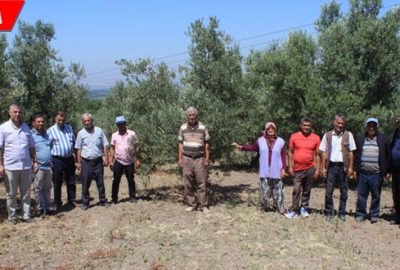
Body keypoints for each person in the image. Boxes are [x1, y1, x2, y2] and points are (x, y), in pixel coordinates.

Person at [233, 121, 287, 214]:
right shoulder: (260, 141)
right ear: (265, 130)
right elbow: (252, 147)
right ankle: (265, 207)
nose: (271, 130)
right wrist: (241, 147)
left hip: (276, 170)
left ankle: (280, 207)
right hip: (265, 170)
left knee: (278, 190)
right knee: (265, 190)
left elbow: (283, 156)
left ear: (275, 130)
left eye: (272, 128)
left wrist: (283, 169)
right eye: (268, 129)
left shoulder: (281, 141)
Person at [0, 104, 37, 224]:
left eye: (19, 112)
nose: (17, 114)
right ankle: (13, 216)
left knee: (26, 193)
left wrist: (34, 160)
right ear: (9, 113)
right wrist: (0, 165)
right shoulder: (3, 128)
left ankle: (26, 215)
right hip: (10, 166)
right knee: (11, 193)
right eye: (15, 112)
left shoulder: (26, 127)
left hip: (25, 166)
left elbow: (31, 146)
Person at [320, 114, 356, 221]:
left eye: (342, 123)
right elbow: (323, 152)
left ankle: (341, 213)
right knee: (328, 191)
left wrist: (350, 167)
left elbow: (351, 153)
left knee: (344, 191)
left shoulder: (348, 135)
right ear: (333, 122)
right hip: (331, 166)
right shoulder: (327, 135)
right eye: (338, 123)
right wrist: (324, 167)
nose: (340, 125)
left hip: (343, 167)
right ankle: (328, 213)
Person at [354, 118, 390, 223]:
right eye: (369, 125)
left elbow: (387, 156)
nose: (371, 127)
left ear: (376, 126)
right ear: (366, 126)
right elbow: (356, 156)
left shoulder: (383, 139)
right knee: (361, 195)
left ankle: (374, 214)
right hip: (363, 173)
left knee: (376, 195)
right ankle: (360, 214)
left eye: (373, 125)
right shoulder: (361, 139)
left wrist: (387, 171)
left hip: (376, 173)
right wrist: (356, 170)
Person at [286, 117, 321, 218]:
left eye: (308, 126)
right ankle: (294, 210)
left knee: (307, 189)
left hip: (310, 168)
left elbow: (318, 154)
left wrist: (318, 169)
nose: (306, 127)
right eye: (304, 125)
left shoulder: (316, 138)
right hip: (297, 168)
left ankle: (304, 208)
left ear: (311, 127)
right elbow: (290, 152)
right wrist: (290, 166)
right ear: (301, 126)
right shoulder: (294, 136)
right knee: (296, 189)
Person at [75, 113, 111, 210]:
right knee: (85, 183)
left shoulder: (99, 131)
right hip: (86, 162)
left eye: (88, 120)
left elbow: (104, 145)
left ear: (92, 120)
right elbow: (78, 149)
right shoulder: (81, 133)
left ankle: (103, 200)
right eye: (85, 121)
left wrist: (106, 158)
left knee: (100, 182)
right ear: (83, 122)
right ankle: (85, 203)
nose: (87, 123)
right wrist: (78, 163)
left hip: (98, 161)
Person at [178, 106, 210, 212]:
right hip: (186, 158)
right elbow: (180, 144)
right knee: (188, 182)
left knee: (202, 182)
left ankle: (203, 206)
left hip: (199, 159)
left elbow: (207, 144)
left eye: (193, 115)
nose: (191, 117)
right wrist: (180, 159)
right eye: (190, 115)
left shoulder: (202, 127)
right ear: (187, 116)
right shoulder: (182, 128)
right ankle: (191, 204)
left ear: (196, 115)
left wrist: (207, 158)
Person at [47, 111, 76, 212]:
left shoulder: (69, 128)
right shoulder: (51, 130)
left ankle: (71, 199)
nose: (61, 121)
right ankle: (57, 202)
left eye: (63, 120)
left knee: (71, 180)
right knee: (57, 181)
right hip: (57, 159)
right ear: (55, 119)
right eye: (59, 119)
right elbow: (48, 146)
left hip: (69, 158)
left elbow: (73, 142)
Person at [109, 115, 141, 204]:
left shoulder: (132, 134)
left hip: (129, 160)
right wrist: (111, 161)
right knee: (116, 180)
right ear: (117, 125)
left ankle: (133, 197)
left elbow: (137, 146)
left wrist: (138, 159)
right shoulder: (114, 135)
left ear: (125, 124)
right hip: (118, 161)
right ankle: (114, 199)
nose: (121, 126)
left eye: (122, 124)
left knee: (131, 180)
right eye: (119, 124)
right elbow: (112, 148)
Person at [31, 115, 53, 217]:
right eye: (38, 122)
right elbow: (29, 149)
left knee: (47, 188)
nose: (41, 123)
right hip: (39, 166)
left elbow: (50, 147)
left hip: (48, 166)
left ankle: (48, 207)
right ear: (33, 123)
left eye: (42, 122)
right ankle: (41, 208)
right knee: (38, 188)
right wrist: (33, 161)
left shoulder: (46, 134)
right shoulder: (30, 135)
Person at [390, 115, 400, 226]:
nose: (398, 123)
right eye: (397, 122)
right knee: (396, 193)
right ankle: (398, 216)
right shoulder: (396, 133)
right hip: (395, 169)